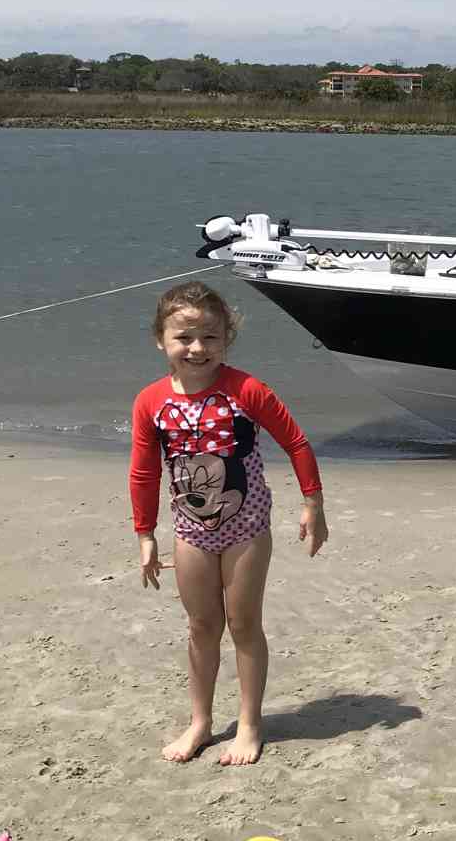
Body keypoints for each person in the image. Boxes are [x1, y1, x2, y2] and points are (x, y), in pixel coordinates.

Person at [129, 280, 328, 766]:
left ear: (226, 339)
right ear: (162, 339)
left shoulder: (247, 390)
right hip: (190, 531)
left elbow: (296, 442)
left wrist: (313, 505)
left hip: (246, 527)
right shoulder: (151, 402)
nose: (198, 349)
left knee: (242, 623)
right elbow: (144, 470)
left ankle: (249, 723)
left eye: (211, 337)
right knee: (201, 625)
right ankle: (199, 722)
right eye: (185, 337)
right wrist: (145, 534)